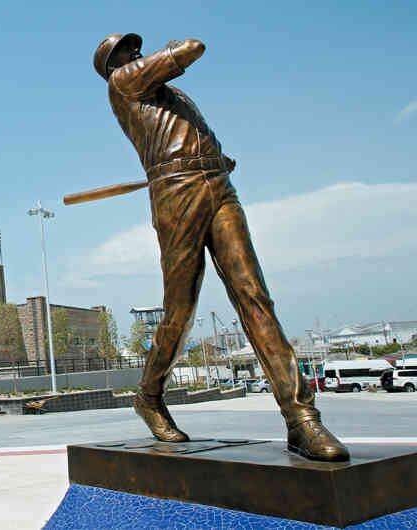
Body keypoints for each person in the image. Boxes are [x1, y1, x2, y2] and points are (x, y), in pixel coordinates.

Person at [92, 33, 349, 461]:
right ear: (112, 65)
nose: (135, 52)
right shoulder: (123, 82)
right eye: (124, 51)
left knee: (255, 297)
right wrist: (170, 49)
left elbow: (184, 136)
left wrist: (214, 156)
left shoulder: (172, 96)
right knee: (180, 310)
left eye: (135, 47)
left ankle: (302, 420)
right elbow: (192, 47)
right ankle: (149, 395)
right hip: (176, 194)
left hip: (217, 186)